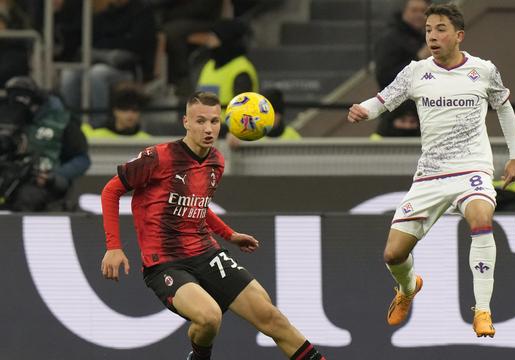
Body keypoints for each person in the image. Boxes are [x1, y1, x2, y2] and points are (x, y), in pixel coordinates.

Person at [100, 91, 326, 360]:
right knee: (209, 317)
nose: (208, 129)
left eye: (214, 122)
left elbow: (199, 206)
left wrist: (229, 235)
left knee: (271, 317)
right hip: (165, 262)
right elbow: (110, 192)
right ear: (185, 122)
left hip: (207, 253)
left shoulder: (216, 161)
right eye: (200, 121)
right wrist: (113, 246)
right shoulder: (157, 158)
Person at [347, 4, 515, 338]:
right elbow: (383, 101)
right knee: (393, 253)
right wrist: (362, 111)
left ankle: (482, 310)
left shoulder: (483, 71)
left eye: (440, 29)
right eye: (428, 29)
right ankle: (409, 286)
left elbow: (504, 109)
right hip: (430, 175)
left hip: (471, 168)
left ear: (459, 35)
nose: (432, 36)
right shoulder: (415, 72)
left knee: (481, 216)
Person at [1, 76, 90, 211]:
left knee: (28, 197)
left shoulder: (61, 121)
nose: (19, 105)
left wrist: (56, 175)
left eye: (24, 99)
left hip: (41, 182)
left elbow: (82, 159)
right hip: (6, 176)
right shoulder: (5, 118)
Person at [374, 0, 431, 90]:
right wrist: (418, 58)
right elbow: (384, 78)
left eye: (423, 11)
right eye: (414, 10)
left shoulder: (425, 36)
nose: (419, 15)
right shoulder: (390, 38)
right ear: (404, 12)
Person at [82, 81, 151, 138]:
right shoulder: (94, 136)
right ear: (115, 110)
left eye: (135, 110)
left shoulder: (146, 140)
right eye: (124, 109)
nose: (130, 114)